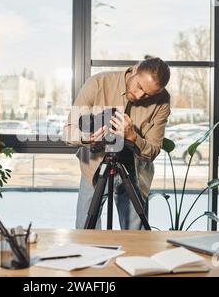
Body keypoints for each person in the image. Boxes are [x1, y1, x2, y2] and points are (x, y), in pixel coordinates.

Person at [62, 55, 171, 229]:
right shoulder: (99, 83)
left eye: (148, 94)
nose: (139, 95)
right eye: (139, 86)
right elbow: (68, 131)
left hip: (134, 173)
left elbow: (154, 150)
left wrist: (132, 136)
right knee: (85, 231)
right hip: (95, 168)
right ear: (135, 70)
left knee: (136, 238)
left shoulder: (162, 101)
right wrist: (88, 137)